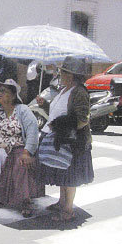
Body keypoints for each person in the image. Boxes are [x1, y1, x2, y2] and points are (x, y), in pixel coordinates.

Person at [37, 56, 94, 222]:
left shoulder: (79, 92)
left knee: (70, 177)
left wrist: (63, 129)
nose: (60, 74)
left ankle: (68, 210)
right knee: (63, 173)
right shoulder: (64, 90)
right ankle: (62, 202)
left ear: (71, 74)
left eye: (63, 71)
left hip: (72, 142)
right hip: (61, 138)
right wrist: (44, 105)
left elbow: (83, 119)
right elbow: (57, 114)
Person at [0, 79, 44, 217]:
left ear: (13, 95)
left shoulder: (23, 110)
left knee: (21, 164)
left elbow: (32, 131)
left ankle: (24, 200)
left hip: (17, 147)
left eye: (4, 91)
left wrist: (27, 152)